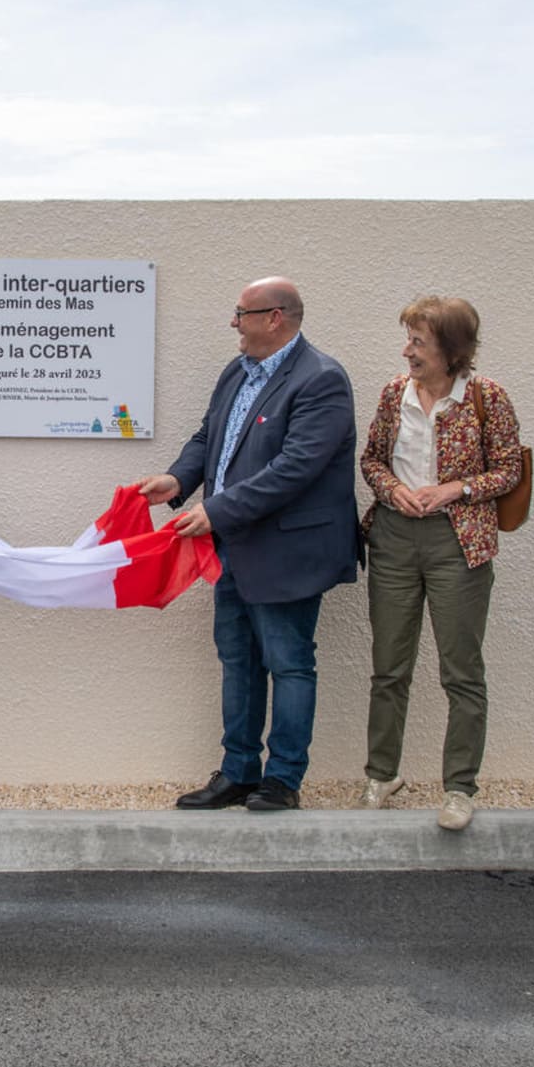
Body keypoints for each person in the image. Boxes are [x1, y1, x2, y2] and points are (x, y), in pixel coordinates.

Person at [136, 276, 358, 813]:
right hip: (231, 545)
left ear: (274, 317)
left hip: (286, 551)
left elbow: (295, 470)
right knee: (237, 660)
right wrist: (178, 481)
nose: (233, 323)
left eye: (241, 313)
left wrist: (214, 510)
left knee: (288, 662)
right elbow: (209, 437)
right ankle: (237, 771)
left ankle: (282, 779)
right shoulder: (237, 372)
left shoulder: (321, 380)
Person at [357, 297, 522, 831]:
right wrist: (394, 490)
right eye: (408, 340)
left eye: (418, 342)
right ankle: (382, 774)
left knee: (461, 670)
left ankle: (459, 787)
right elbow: (372, 459)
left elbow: (509, 472)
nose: (407, 351)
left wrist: (457, 488)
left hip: (459, 541)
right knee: (389, 665)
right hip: (393, 537)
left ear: (453, 351)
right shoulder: (392, 394)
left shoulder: (486, 397)